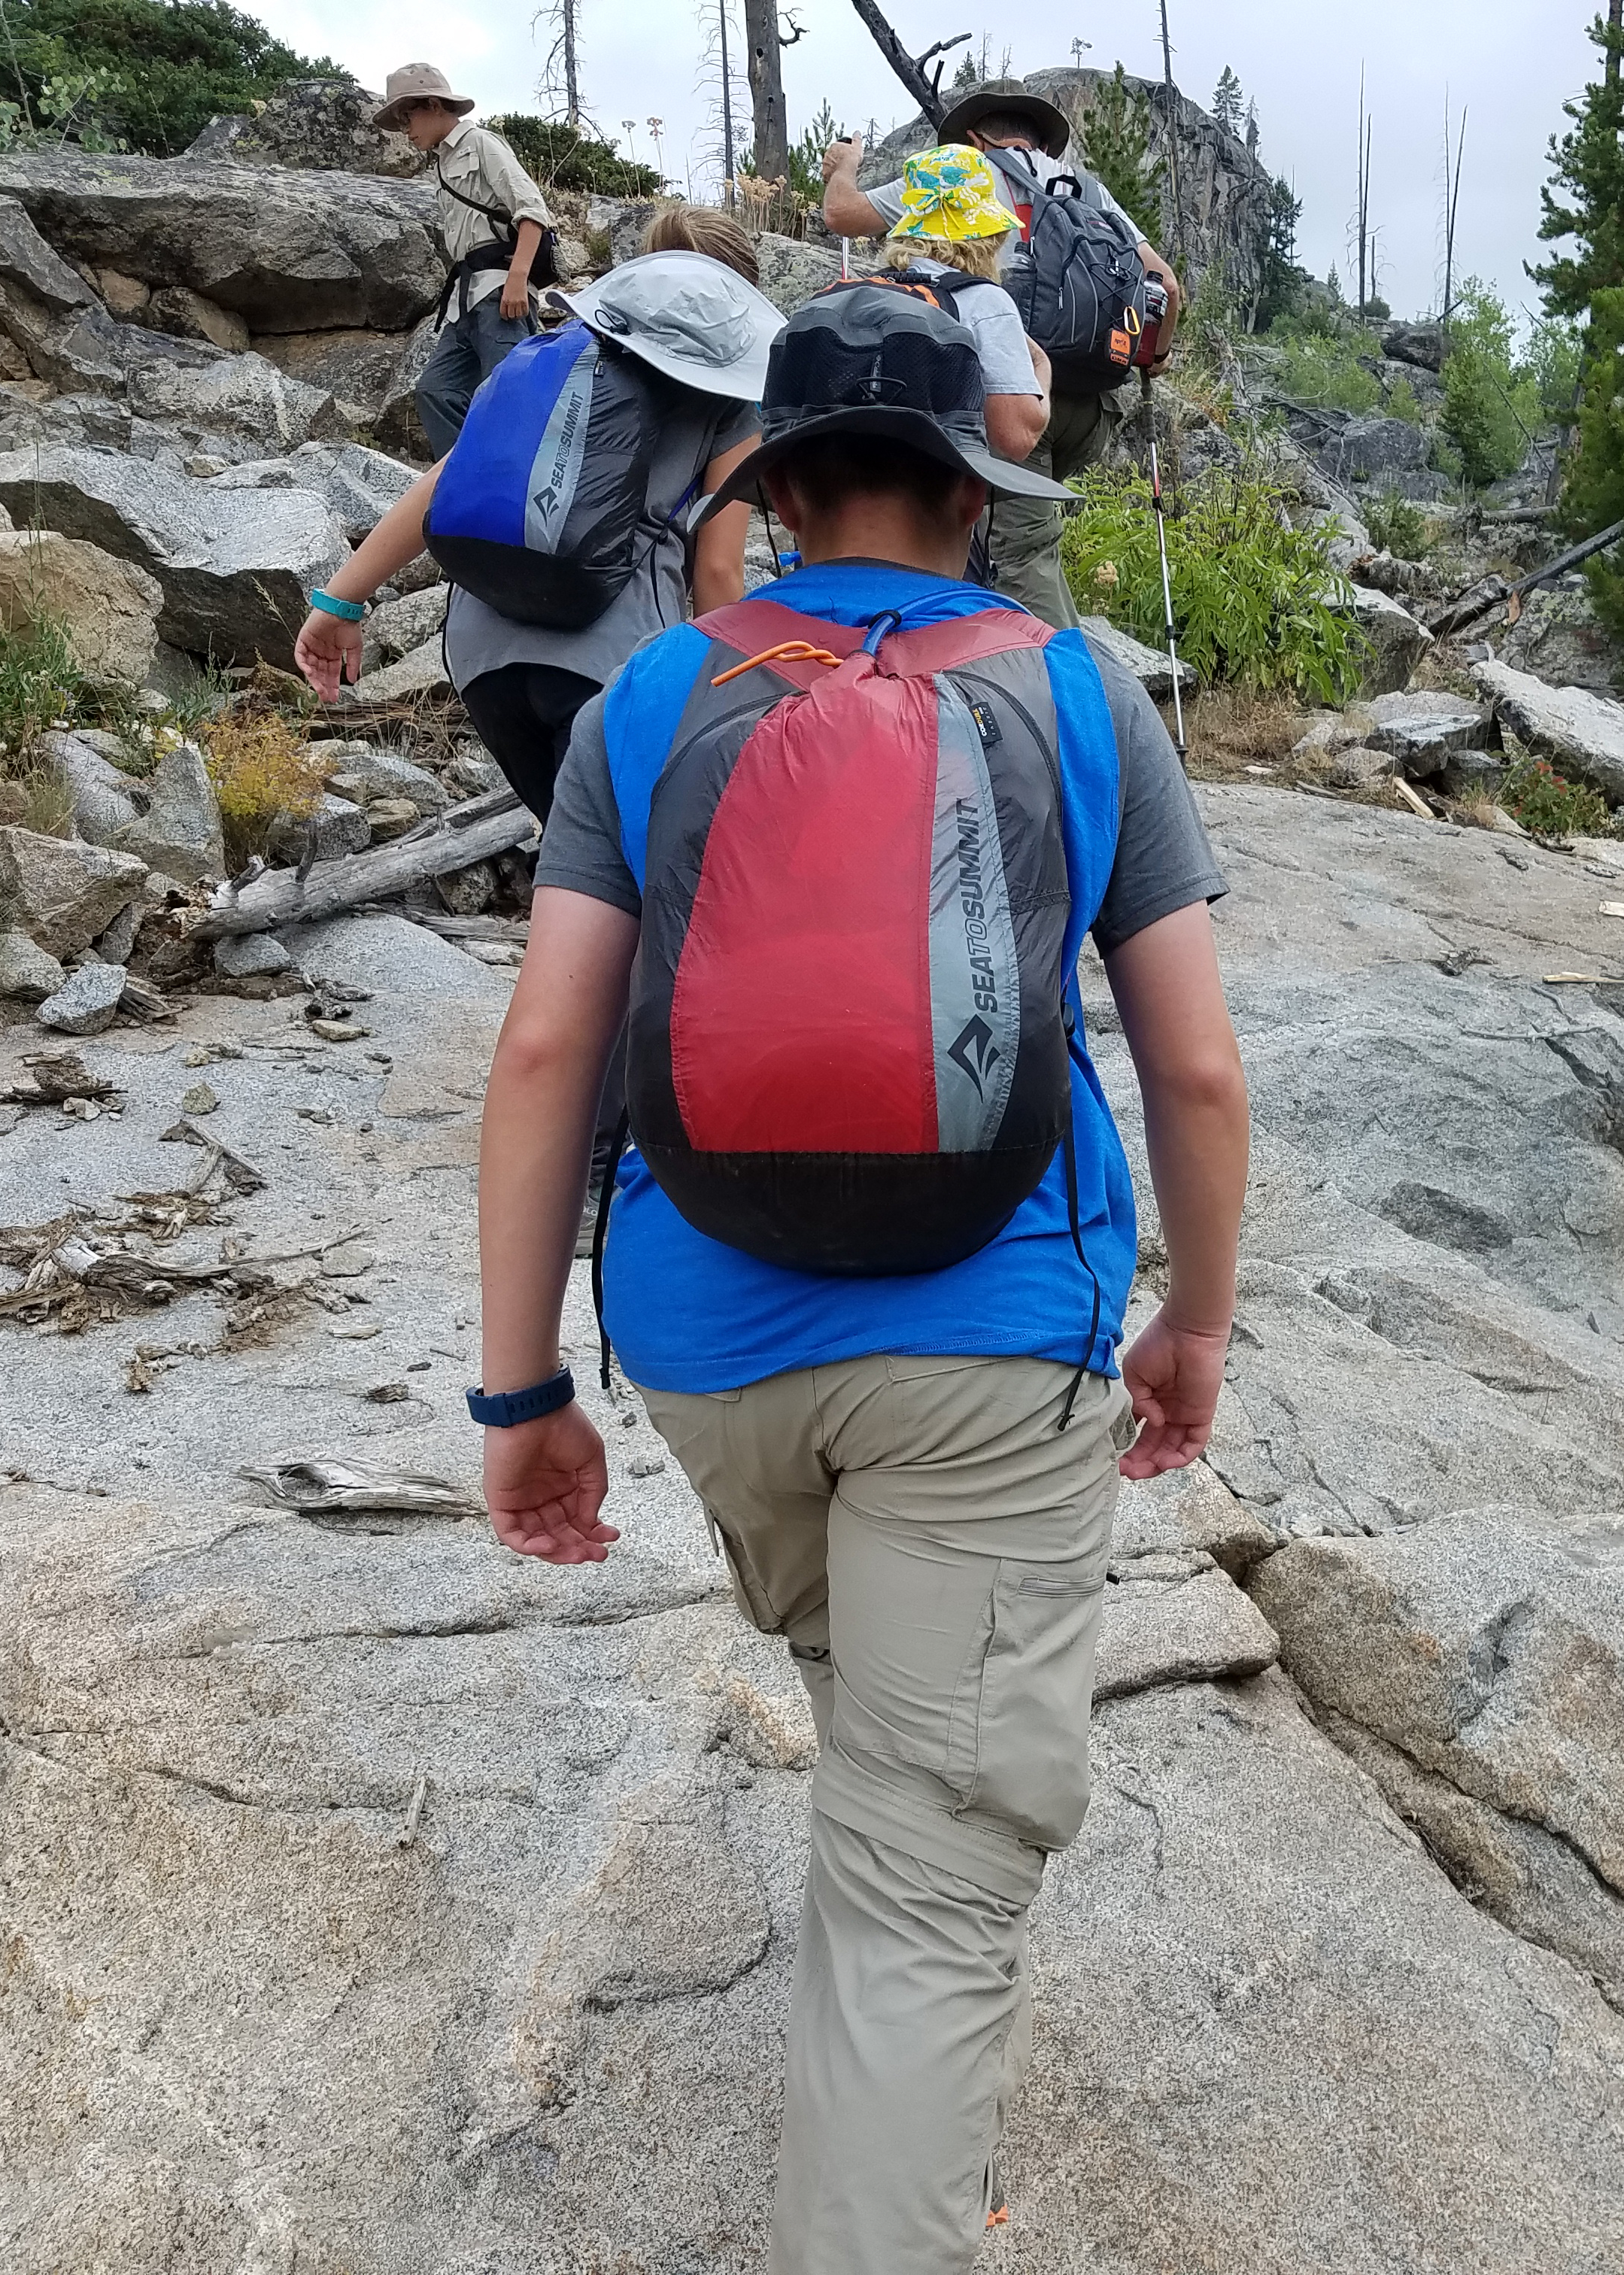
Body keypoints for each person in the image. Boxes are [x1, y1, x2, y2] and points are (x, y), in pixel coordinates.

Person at [468, 287, 1247, 2272]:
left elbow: (551, 1048)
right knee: (928, 1892)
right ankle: (892, 2155)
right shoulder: (1080, 690)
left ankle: (898, 1885)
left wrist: (521, 1395)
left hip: (713, 1347)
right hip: (995, 1350)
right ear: (974, 495)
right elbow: (1199, 1063)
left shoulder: (652, 698)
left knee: (874, 1711)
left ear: (786, 488)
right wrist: (1198, 1319)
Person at [290, 246, 782, 820]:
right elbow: (718, 571)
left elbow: (440, 487)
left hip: (483, 661)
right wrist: (729, 702)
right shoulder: (726, 407)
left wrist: (338, 603)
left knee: (572, 853)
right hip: (614, 666)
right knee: (629, 876)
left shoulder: (539, 362)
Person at [822, 79, 1179, 627]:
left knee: (1020, 554)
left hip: (1014, 392)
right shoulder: (1088, 189)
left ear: (975, 137)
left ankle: (1055, 689)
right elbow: (1166, 285)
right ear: (1039, 139)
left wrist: (844, 167)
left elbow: (843, 215)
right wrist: (1154, 356)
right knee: (1021, 541)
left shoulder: (964, 174)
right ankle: (996, 653)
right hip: (1093, 405)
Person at [375, 63, 556, 456]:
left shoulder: (481, 144)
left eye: (409, 116)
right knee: (436, 390)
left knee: (509, 393)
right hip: (466, 299)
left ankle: (517, 479)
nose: (407, 129)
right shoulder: (442, 164)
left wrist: (516, 279)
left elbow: (533, 211)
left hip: (499, 291)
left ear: (435, 104)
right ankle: (468, 476)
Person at [875, 143, 1047, 469]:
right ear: (989, 236)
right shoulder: (984, 301)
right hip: (931, 496)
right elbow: (1016, 438)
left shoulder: (875, 290)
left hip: (843, 490)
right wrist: (1043, 368)